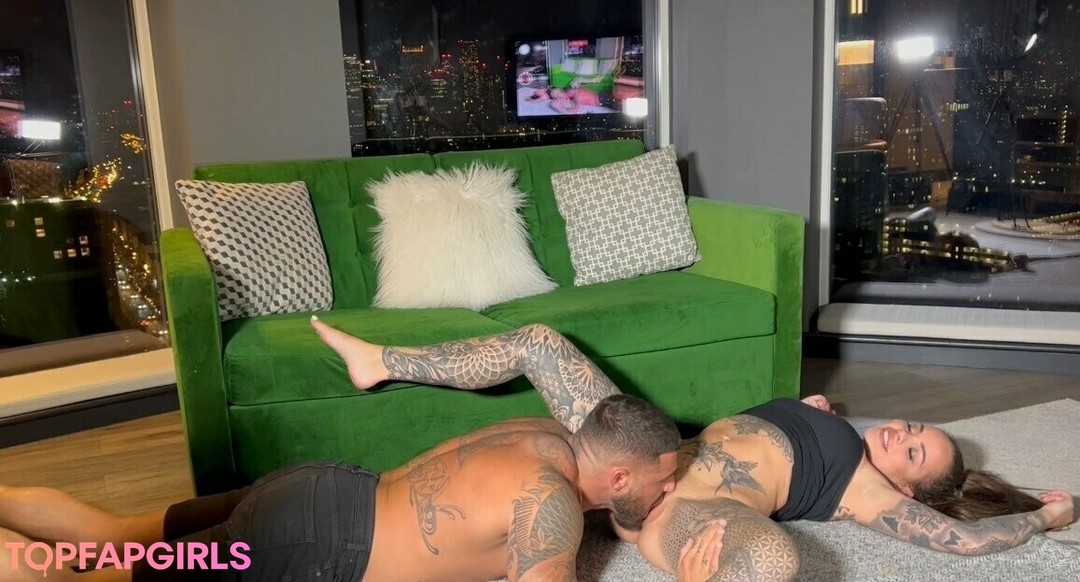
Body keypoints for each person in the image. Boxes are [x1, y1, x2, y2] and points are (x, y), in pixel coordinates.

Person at [309, 320, 1077, 581]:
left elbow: (959, 540)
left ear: (905, 490)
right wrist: (817, 414)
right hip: (645, 457)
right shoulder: (832, 422)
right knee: (540, 342)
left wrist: (1044, 517)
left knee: (775, 561)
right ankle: (378, 360)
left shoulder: (866, 492)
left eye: (913, 454)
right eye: (914, 430)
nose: (903, 437)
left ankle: (677, 566)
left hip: (688, 509)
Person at [0, 319, 730, 582]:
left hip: (314, 492)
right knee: (90, 580)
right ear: (619, 474)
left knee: (117, 535)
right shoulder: (552, 509)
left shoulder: (549, 432)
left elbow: (535, 347)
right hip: (306, 548)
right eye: (664, 482)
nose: (670, 492)